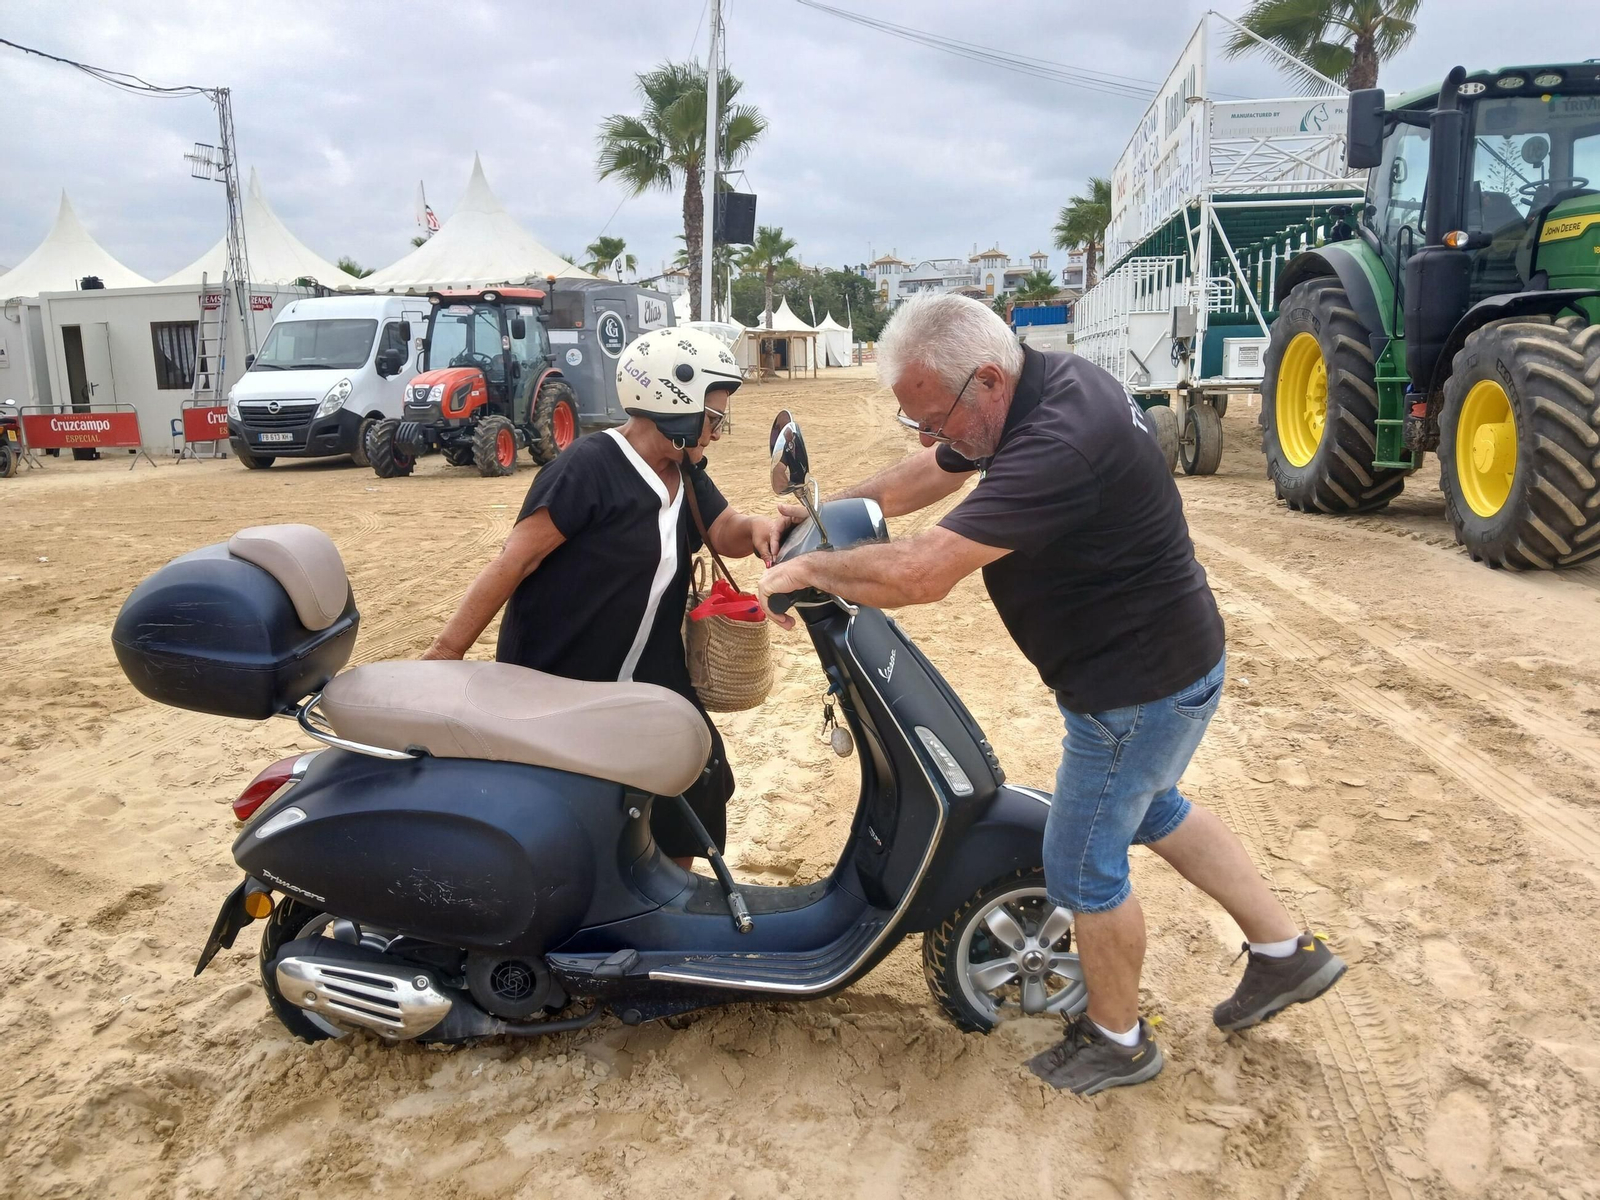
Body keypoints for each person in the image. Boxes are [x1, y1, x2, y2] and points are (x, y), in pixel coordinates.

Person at [757, 294, 1344, 1095]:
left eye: (934, 419)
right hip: (1158, 669)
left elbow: (925, 572)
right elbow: (933, 468)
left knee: (1083, 869)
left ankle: (1118, 1040)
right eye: (915, 422)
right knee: (1154, 806)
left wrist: (809, 568)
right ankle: (1284, 953)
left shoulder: (1059, 440)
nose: (928, 438)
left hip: (1135, 690)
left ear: (987, 381)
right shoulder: (1026, 392)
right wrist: (827, 515)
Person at [423, 326, 785, 868]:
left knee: (697, 773)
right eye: (712, 416)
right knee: (574, 809)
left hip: (651, 673)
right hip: (565, 676)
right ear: (675, 402)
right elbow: (514, 561)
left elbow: (723, 528)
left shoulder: (683, 470)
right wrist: (446, 653)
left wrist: (758, 528)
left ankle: (669, 896)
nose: (716, 430)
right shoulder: (587, 468)